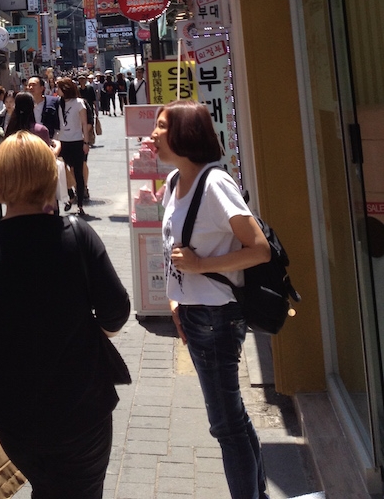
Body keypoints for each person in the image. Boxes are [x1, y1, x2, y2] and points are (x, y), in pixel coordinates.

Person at [0, 132, 130, 499]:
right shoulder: (77, 236)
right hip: (82, 410)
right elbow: (117, 311)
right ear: (51, 177)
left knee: (46, 486)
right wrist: (95, 332)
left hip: (14, 417)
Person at [156, 100, 271, 499]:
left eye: (161, 126)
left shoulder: (215, 184)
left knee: (225, 424)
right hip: (195, 313)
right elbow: (174, 247)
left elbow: (259, 249)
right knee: (231, 417)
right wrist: (176, 299)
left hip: (217, 317)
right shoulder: (175, 180)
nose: (153, 134)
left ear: (184, 133)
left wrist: (201, 267)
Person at [56, 77, 93, 215]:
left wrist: (86, 142)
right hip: (62, 141)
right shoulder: (58, 102)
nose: (57, 90)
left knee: (78, 172)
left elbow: (84, 123)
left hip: (77, 140)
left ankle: (80, 204)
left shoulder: (79, 103)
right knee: (60, 170)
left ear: (65, 89)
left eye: (59, 88)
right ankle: (70, 194)